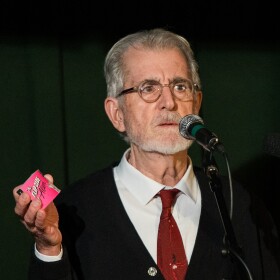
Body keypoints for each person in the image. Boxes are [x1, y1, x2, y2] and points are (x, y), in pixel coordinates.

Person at [13, 28, 279, 280]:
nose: (169, 102)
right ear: (117, 114)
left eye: (180, 86)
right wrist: (49, 250)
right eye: (148, 88)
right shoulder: (73, 211)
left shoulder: (240, 205)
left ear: (196, 103)